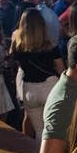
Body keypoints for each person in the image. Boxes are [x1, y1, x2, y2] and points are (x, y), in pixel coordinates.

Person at [11, 9, 64, 143]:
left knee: (39, 130)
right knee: (53, 129)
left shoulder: (18, 46)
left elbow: (12, 61)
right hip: (50, 87)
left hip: (29, 89)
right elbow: (61, 69)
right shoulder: (50, 46)